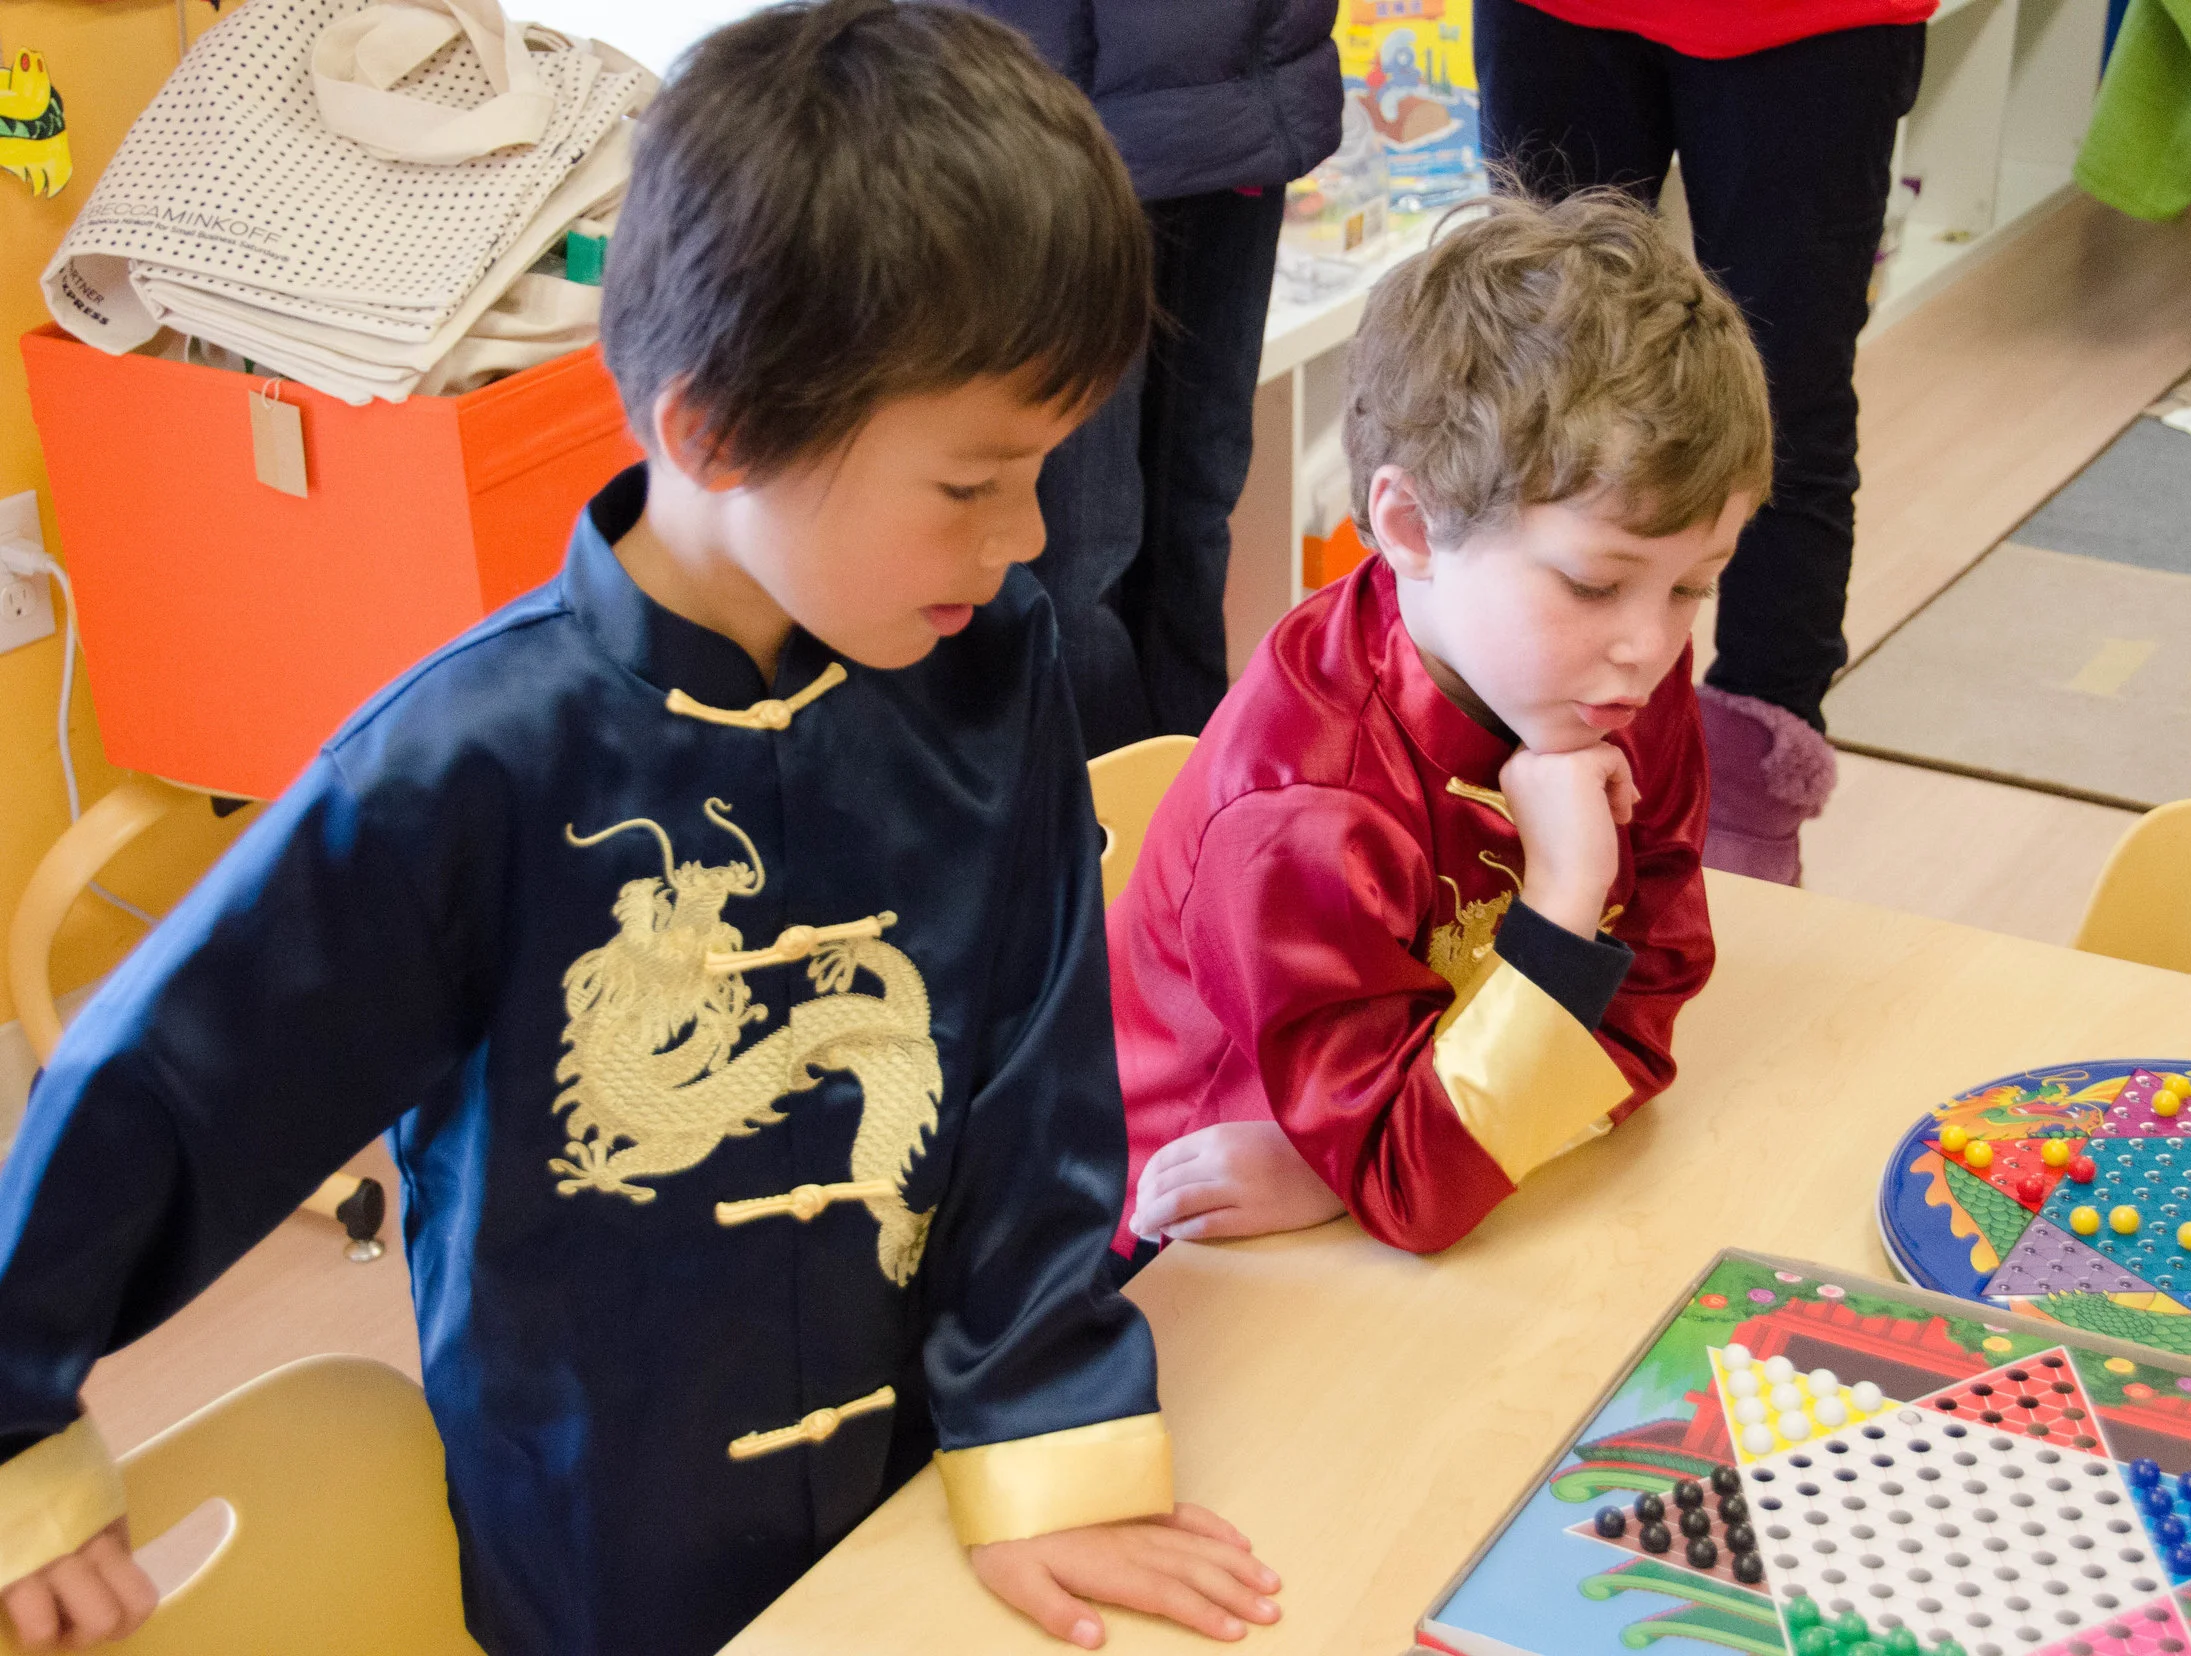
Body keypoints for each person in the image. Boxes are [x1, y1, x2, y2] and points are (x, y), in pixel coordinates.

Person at [0, 6, 1278, 1652]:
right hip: (599, 1550)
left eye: (1042, 469)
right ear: (715, 432)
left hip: (918, 1511)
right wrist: (18, 1405)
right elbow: (174, 1072)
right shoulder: (467, 760)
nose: (1026, 539)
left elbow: (1036, 1080)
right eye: (970, 485)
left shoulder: (994, 665)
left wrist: (1045, 1428)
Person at [1112, 192, 1770, 1258]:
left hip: (1382, 1165)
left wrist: (1403, 1145)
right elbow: (1417, 1191)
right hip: (1189, 1240)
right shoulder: (1300, 803)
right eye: (1595, 584)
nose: (1650, 645)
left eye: (1694, 587)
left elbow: (1647, 1012)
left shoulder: (1602, 673)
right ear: (1412, 525)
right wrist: (1562, 906)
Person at [1475, 0, 1933, 883]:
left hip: (1812, 22)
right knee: (1537, 388)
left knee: (1781, 407)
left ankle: (1752, 809)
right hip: (1557, 15)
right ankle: (1521, 756)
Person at [949, 0, 1343, 755]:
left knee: (1193, 512)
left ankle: (1187, 820)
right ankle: (1098, 836)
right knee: (1071, 550)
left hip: (1235, 94)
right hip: (1040, 106)